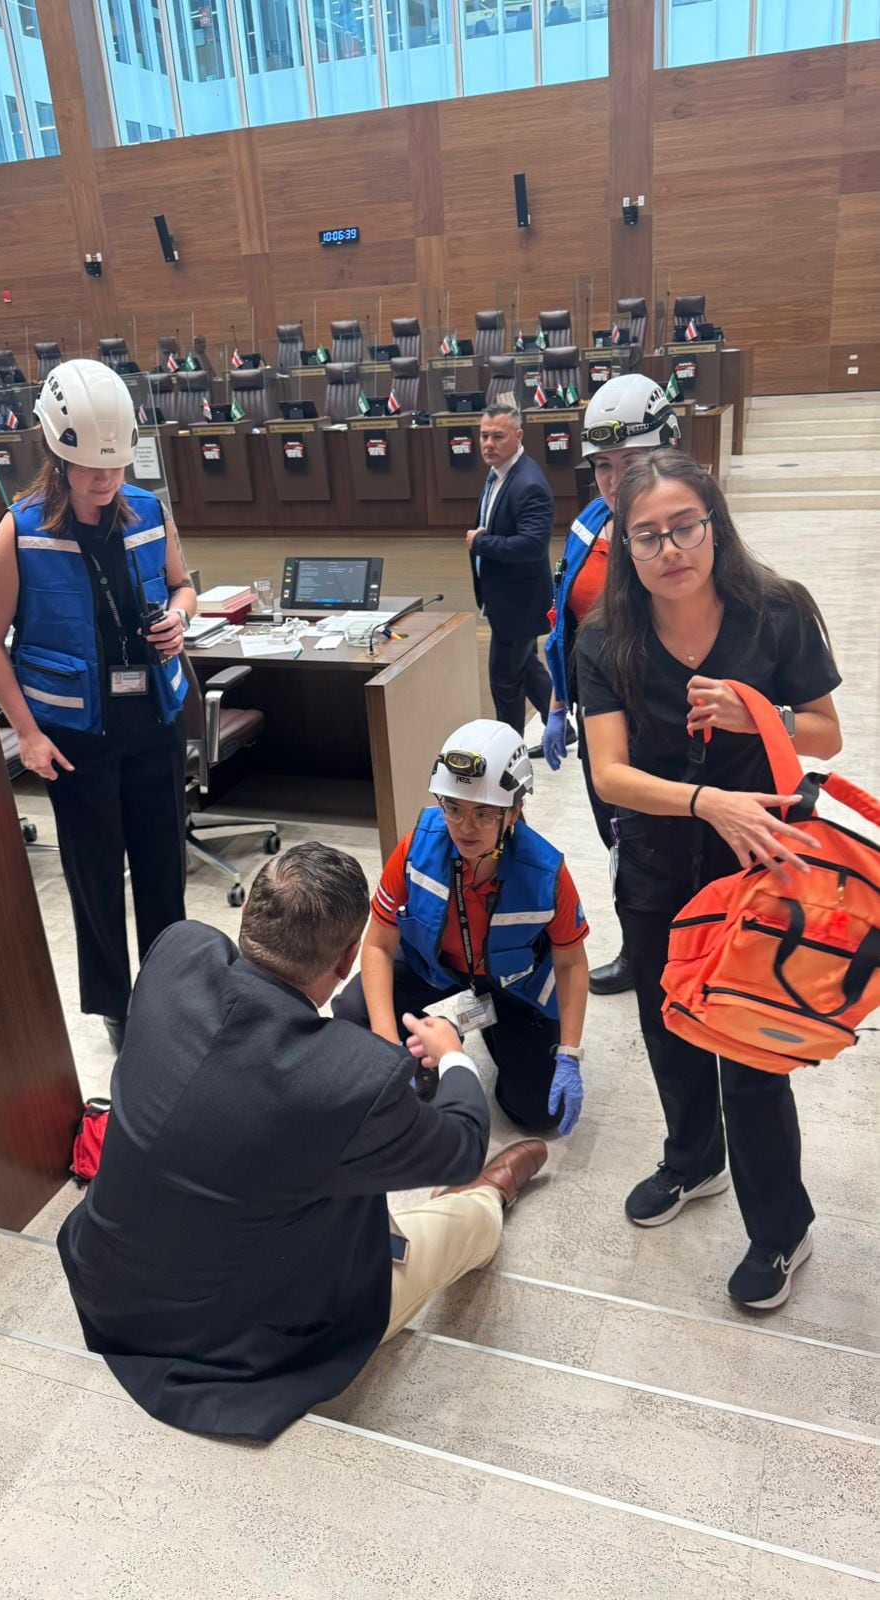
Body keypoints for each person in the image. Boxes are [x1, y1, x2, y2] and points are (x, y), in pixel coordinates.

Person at [57, 842, 548, 1441]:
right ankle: (485, 1205)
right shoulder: (351, 1077)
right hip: (225, 1344)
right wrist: (452, 1057)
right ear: (346, 964)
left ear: (250, 919)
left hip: (107, 1282)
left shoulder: (176, 955)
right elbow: (464, 1143)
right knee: (458, 1225)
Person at [576, 448, 842, 1311]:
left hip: (762, 868)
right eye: (646, 536)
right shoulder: (602, 638)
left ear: (713, 524)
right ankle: (694, 1161)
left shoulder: (776, 612)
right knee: (668, 1024)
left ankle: (781, 1230)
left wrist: (757, 712)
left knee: (751, 1047)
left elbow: (827, 734)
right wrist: (705, 802)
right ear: (627, 546)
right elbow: (609, 773)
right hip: (658, 863)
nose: (670, 549)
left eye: (685, 526)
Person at [0, 359, 196, 1054]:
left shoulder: (150, 511)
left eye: (114, 467)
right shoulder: (21, 531)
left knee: (163, 865)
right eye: (89, 470)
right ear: (56, 453)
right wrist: (27, 736)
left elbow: (183, 584)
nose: (106, 482)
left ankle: (171, 990)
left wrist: (181, 618)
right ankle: (114, 1002)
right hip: (76, 735)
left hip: (153, 722)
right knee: (95, 877)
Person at [334, 719, 589, 1136]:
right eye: (453, 808)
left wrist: (570, 1054)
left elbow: (572, 965)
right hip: (434, 970)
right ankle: (426, 1053)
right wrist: (385, 1044)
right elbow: (378, 945)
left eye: (484, 813)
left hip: (513, 989)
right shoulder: (417, 846)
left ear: (515, 810)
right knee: (353, 1010)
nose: (465, 828)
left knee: (540, 1114)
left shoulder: (545, 873)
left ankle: (475, 1026)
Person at [541, 374, 681, 997]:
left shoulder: (688, 532)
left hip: (664, 726)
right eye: (603, 465)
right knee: (620, 839)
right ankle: (640, 946)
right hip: (600, 722)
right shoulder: (587, 526)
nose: (615, 481)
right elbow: (563, 619)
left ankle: (688, 953)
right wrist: (555, 701)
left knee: (669, 847)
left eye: (634, 463)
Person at [467, 404, 555, 737]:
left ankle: (509, 753)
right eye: (484, 435)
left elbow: (533, 545)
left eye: (497, 437)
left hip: (519, 603)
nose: (488, 444)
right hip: (507, 598)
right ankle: (562, 724)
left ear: (518, 436)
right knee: (526, 667)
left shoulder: (528, 483)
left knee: (504, 683)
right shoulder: (500, 473)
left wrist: (481, 543)